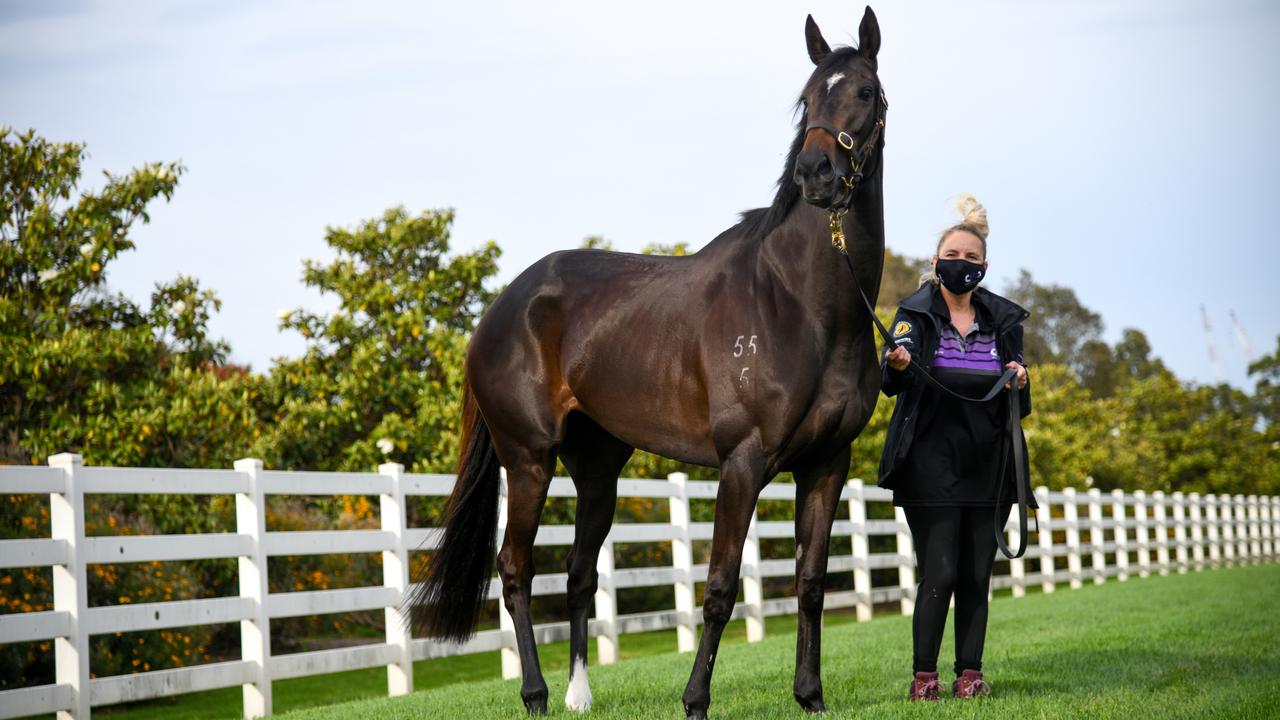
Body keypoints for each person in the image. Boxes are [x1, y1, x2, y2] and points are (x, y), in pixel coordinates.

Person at [878, 195, 1035, 701]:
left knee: (975, 574)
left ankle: (971, 675)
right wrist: (897, 365)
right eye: (953, 255)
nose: (961, 264)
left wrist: (1020, 380)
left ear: (983, 268)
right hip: (930, 463)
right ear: (935, 261)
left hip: (990, 465)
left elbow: (1020, 403)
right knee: (940, 571)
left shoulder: (1002, 322)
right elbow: (891, 380)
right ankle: (924, 678)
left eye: (971, 259)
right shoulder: (914, 313)